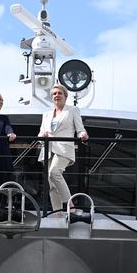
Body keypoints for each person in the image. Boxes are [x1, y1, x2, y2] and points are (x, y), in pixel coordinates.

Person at [38, 84, 89, 212]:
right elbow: (40, 135)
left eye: (59, 93)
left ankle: (70, 205)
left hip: (64, 148)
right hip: (48, 149)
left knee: (54, 173)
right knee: (52, 183)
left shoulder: (72, 110)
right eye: (54, 94)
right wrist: (42, 135)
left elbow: (80, 128)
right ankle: (57, 212)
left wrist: (83, 134)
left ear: (65, 96)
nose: (57, 96)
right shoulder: (46, 115)